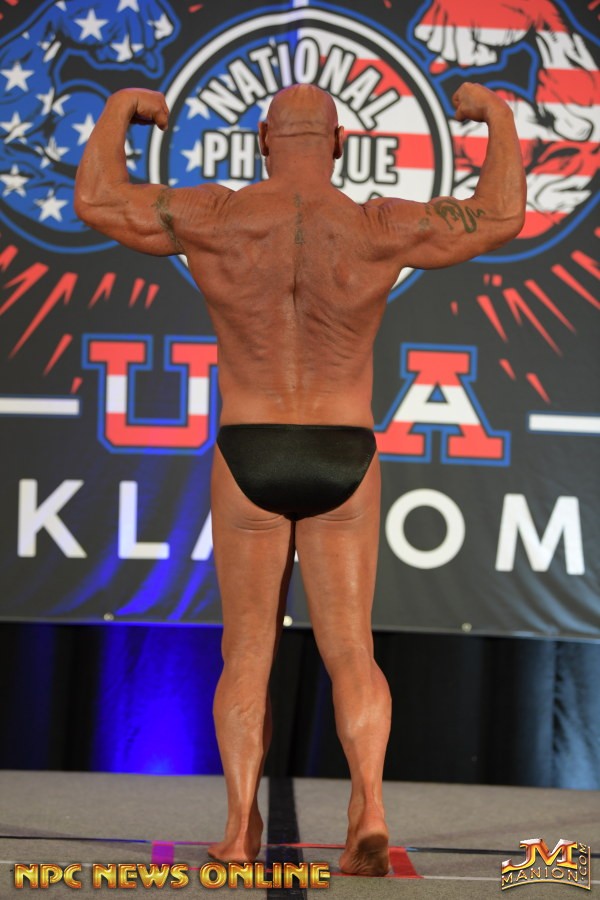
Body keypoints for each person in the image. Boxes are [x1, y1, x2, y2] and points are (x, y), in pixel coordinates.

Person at [75, 80, 525, 876]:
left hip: (251, 449)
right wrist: (495, 115)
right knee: (351, 649)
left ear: (262, 140)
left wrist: (119, 112)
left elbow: (99, 201)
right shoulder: (377, 224)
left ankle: (237, 830)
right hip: (342, 450)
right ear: (342, 142)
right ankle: (369, 809)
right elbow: (499, 217)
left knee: (247, 652)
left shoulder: (216, 218)